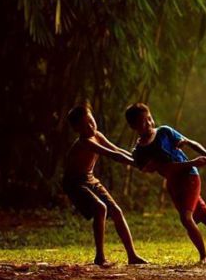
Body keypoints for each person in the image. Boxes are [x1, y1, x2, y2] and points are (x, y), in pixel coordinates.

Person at [125, 103, 206, 265]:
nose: (149, 123)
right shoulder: (139, 152)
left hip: (189, 177)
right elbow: (164, 168)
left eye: (149, 118)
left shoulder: (164, 132)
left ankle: (204, 256)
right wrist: (193, 162)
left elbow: (190, 142)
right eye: (143, 122)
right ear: (133, 126)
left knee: (186, 218)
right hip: (174, 183)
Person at [62, 104, 148, 267]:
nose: (90, 126)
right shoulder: (85, 142)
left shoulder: (98, 135)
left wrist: (138, 159)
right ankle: (100, 256)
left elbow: (116, 149)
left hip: (90, 179)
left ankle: (132, 255)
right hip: (74, 182)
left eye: (90, 121)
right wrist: (138, 165)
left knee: (116, 211)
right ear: (76, 129)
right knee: (100, 208)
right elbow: (112, 155)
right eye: (84, 125)